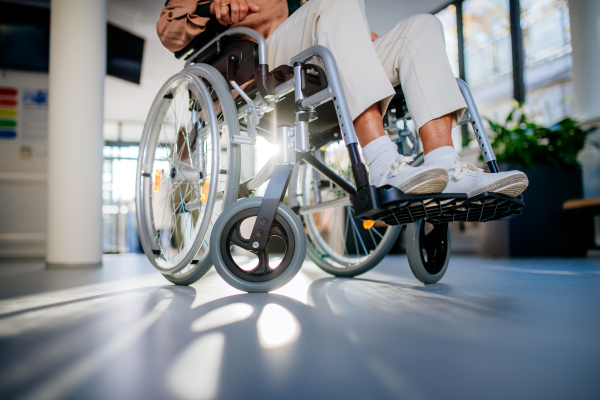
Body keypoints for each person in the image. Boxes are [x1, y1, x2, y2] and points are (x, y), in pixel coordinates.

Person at [157, 0, 528, 198]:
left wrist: (373, 48)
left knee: (422, 27)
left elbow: (334, 19)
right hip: (265, 62)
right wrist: (211, 8)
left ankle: (446, 166)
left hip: (316, 52)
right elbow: (168, 30)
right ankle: (382, 162)